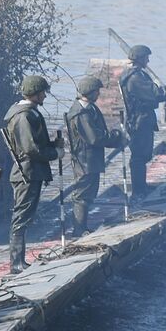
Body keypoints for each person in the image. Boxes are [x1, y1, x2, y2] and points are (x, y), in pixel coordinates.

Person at [2, 75, 62, 273]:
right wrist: (54, 153)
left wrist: (53, 145)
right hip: (27, 172)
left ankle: (19, 261)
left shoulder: (30, 113)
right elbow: (30, 148)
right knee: (21, 217)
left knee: (25, 216)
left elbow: (35, 144)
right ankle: (16, 263)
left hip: (31, 171)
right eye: (42, 92)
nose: (45, 95)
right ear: (35, 94)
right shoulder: (24, 116)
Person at [118, 45, 166, 199]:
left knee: (143, 155)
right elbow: (156, 93)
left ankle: (141, 187)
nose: (148, 60)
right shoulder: (134, 78)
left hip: (141, 119)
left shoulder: (135, 74)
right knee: (139, 156)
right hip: (138, 121)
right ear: (139, 59)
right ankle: (138, 191)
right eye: (146, 57)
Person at [63, 76, 125, 236]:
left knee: (89, 193)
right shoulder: (81, 113)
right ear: (89, 92)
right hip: (84, 159)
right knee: (83, 195)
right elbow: (94, 138)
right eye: (96, 91)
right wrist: (116, 136)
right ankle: (79, 230)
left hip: (90, 158)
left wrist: (114, 139)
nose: (98, 94)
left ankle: (81, 228)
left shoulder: (89, 108)